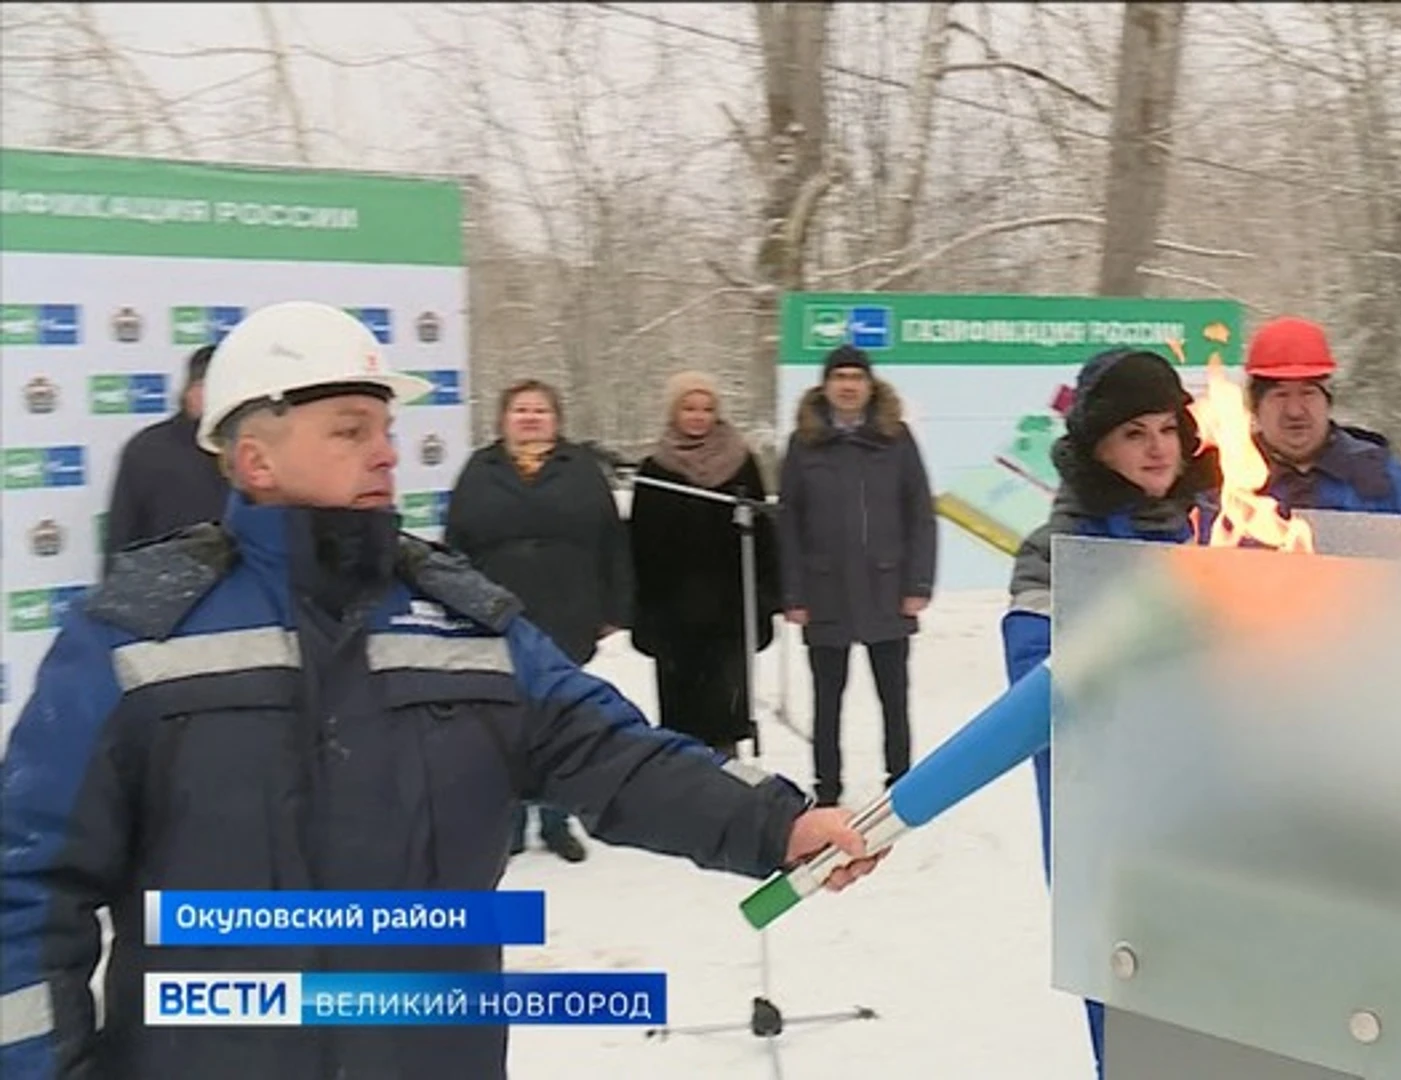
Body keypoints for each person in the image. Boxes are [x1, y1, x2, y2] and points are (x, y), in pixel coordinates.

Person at [0, 301, 881, 1080]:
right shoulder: (134, 635)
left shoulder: (462, 620)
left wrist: (778, 822)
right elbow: (31, 889)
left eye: (385, 429)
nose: (387, 453)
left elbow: (611, 754)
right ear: (256, 458)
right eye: (350, 430)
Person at [1002, 348, 1221, 1080]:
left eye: (1167, 427)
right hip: (1114, 845)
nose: (1159, 447)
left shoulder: (1222, 531)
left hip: (1225, 833)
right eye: (1134, 432)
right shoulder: (1053, 554)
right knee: (1139, 1046)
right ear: (1095, 447)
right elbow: (1038, 686)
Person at [444, 378, 630, 863]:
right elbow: (456, 546)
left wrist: (613, 609)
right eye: (521, 409)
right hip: (498, 614)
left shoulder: (581, 469)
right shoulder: (479, 470)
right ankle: (508, 823)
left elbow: (612, 542)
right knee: (501, 722)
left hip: (569, 610)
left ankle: (555, 820)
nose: (530, 418)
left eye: (540, 411)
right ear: (503, 419)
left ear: (557, 421)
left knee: (559, 719)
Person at [777, 344, 937, 808]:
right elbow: (788, 521)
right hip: (825, 591)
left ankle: (903, 786)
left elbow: (920, 514)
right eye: (839, 377)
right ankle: (827, 789)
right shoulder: (803, 444)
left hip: (887, 589)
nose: (848, 385)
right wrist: (793, 592)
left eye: (856, 377)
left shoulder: (896, 438)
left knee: (894, 696)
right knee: (827, 700)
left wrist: (918, 584)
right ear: (825, 386)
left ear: (870, 385)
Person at [627, 370, 779, 757]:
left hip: (728, 615)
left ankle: (731, 791)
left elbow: (764, 537)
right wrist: (642, 611)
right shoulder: (655, 469)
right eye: (689, 407)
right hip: (674, 617)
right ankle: (688, 795)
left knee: (726, 715)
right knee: (682, 720)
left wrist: (765, 598)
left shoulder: (741, 463)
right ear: (674, 412)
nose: (698, 416)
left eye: (707, 408)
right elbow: (640, 545)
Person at [1239, 316, 1401, 516]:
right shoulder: (1225, 482)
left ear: (1328, 401)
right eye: (1280, 395)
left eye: (1308, 393)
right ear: (1255, 407)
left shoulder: (1382, 478)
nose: (1294, 411)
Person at [101, 343, 230, 567]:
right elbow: (121, 540)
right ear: (192, 390)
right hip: (168, 591)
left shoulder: (254, 450)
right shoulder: (147, 450)